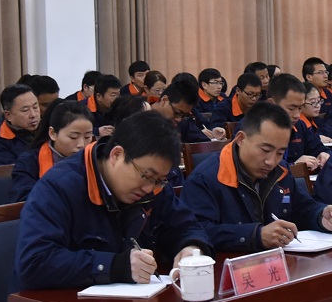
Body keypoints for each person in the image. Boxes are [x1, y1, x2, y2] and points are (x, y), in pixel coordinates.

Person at [15, 110, 210, 289]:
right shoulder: (58, 187)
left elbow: (187, 226)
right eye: (146, 176)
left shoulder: (154, 186)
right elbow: (34, 263)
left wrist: (191, 247)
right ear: (116, 154)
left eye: (159, 180)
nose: (149, 188)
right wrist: (114, 266)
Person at [182, 103, 332, 253]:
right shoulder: (206, 178)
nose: (271, 161)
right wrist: (256, 235)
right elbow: (198, 231)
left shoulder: (281, 169)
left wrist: (321, 216)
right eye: (265, 150)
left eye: (280, 152)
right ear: (241, 139)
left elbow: (302, 207)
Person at [10, 100, 96, 203]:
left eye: (87, 136)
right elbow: (25, 200)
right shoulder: (29, 162)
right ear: (53, 133)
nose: (81, 144)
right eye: (73, 137)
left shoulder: (97, 160)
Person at [0, 83, 42, 165]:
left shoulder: (48, 129)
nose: (33, 115)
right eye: (25, 110)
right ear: (8, 115)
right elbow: (9, 171)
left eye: (35, 107)